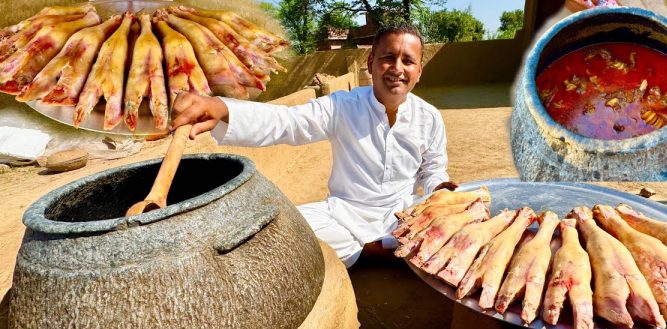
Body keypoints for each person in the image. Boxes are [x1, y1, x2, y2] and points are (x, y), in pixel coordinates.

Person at [171, 23, 456, 267]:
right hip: (343, 216)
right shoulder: (343, 106)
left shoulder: (429, 118)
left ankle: (374, 250)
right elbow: (288, 121)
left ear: (419, 70)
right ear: (370, 64)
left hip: (403, 218)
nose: (397, 69)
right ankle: (376, 251)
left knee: (456, 231)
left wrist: (440, 189)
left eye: (408, 61)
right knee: (279, 233)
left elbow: (433, 170)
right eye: (388, 58)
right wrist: (222, 108)